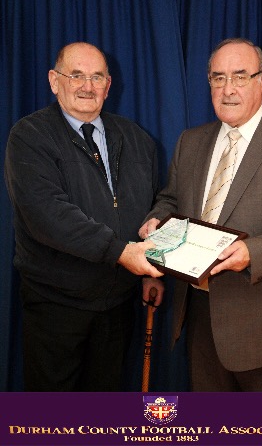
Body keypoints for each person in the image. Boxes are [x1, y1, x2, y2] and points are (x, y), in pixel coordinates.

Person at [140, 38, 262, 392]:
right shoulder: (190, 142)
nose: (228, 90)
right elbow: (170, 199)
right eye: (218, 78)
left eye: (240, 77)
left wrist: (254, 252)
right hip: (201, 320)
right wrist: (157, 221)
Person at [4, 41, 164, 392]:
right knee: (52, 420)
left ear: (109, 85)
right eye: (76, 75)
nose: (87, 86)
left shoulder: (138, 140)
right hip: (56, 307)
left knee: (104, 413)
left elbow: (153, 206)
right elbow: (47, 215)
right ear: (53, 80)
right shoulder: (29, 137)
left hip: (118, 307)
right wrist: (123, 253)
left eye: (96, 77)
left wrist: (152, 270)